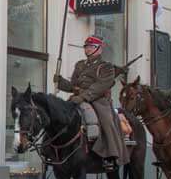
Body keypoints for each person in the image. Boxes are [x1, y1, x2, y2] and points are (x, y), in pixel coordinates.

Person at [53, 35, 129, 171]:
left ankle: (110, 156)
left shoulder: (106, 67)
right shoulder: (80, 64)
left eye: (91, 47)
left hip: (98, 100)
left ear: (99, 49)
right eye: (86, 47)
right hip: (78, 98)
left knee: (107, 121)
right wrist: (60, 82)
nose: (87, 49)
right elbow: (73, 85)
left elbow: (99, 87)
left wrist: (82, 97)